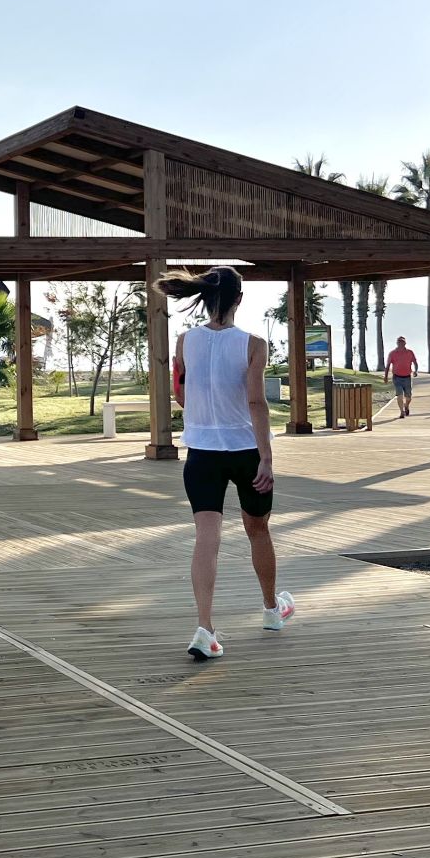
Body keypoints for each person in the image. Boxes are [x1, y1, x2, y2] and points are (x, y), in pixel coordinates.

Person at [164, 265, 294, 660]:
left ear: (204, 297)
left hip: (201, 454)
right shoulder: (253, 344)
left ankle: (205, 629)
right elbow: (256, 403)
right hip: (245, 451)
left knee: (207, 538)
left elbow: (182, 397)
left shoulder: (185, 342)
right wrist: (267, 458)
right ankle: (272, 610)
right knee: (258, 529)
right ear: (239, 299)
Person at [385, 335, 419, 418]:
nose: (401, 344)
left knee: (408, 397)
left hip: (407, 377)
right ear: (397, 343)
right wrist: (385, 376)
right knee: (399, 395)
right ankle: (401, 411)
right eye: (399, 342)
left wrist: (416, 371)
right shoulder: (392, 353)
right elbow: (388, 365)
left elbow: (415, 362)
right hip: (397, 377)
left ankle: (406, 405)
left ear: (405, 343)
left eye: (402, 342)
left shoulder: (410, 352)